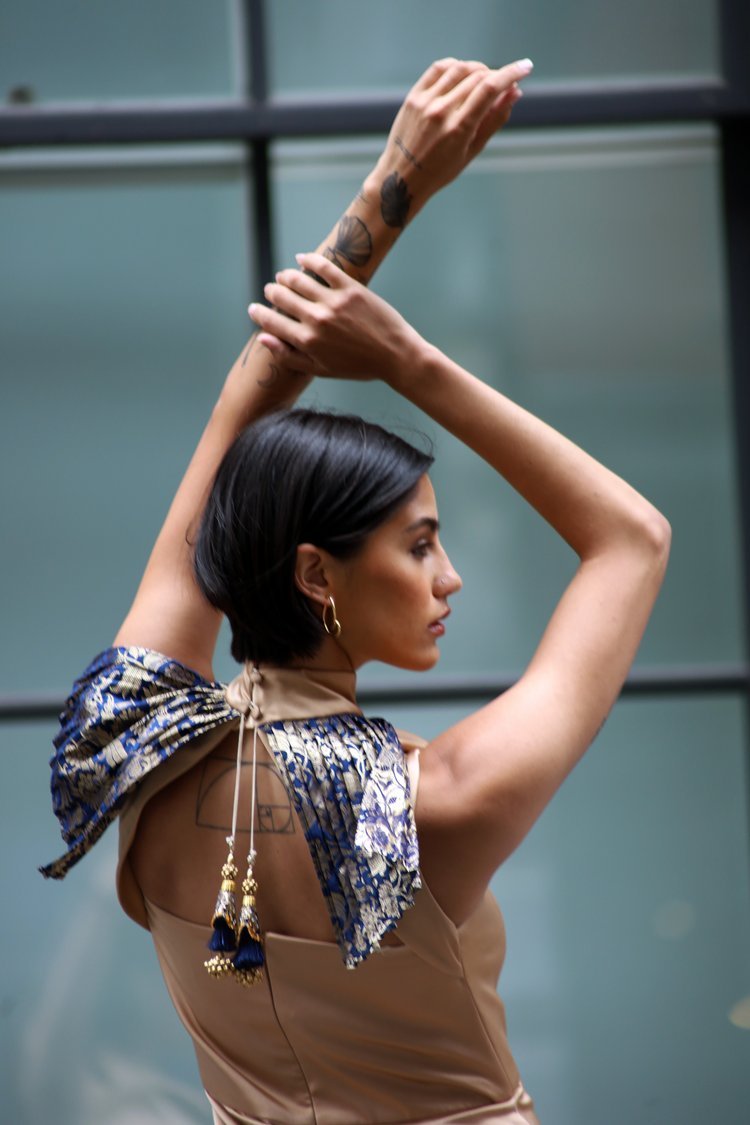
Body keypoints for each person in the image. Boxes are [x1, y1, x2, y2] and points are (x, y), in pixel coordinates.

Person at [42, 56, 670, 1125]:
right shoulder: (434, 802)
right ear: (314, 574)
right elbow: (632, 539)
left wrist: (394, 187)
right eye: (420, 545)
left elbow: (241, 412)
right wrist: (411, 360)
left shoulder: (137, 738)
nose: (449, 575)